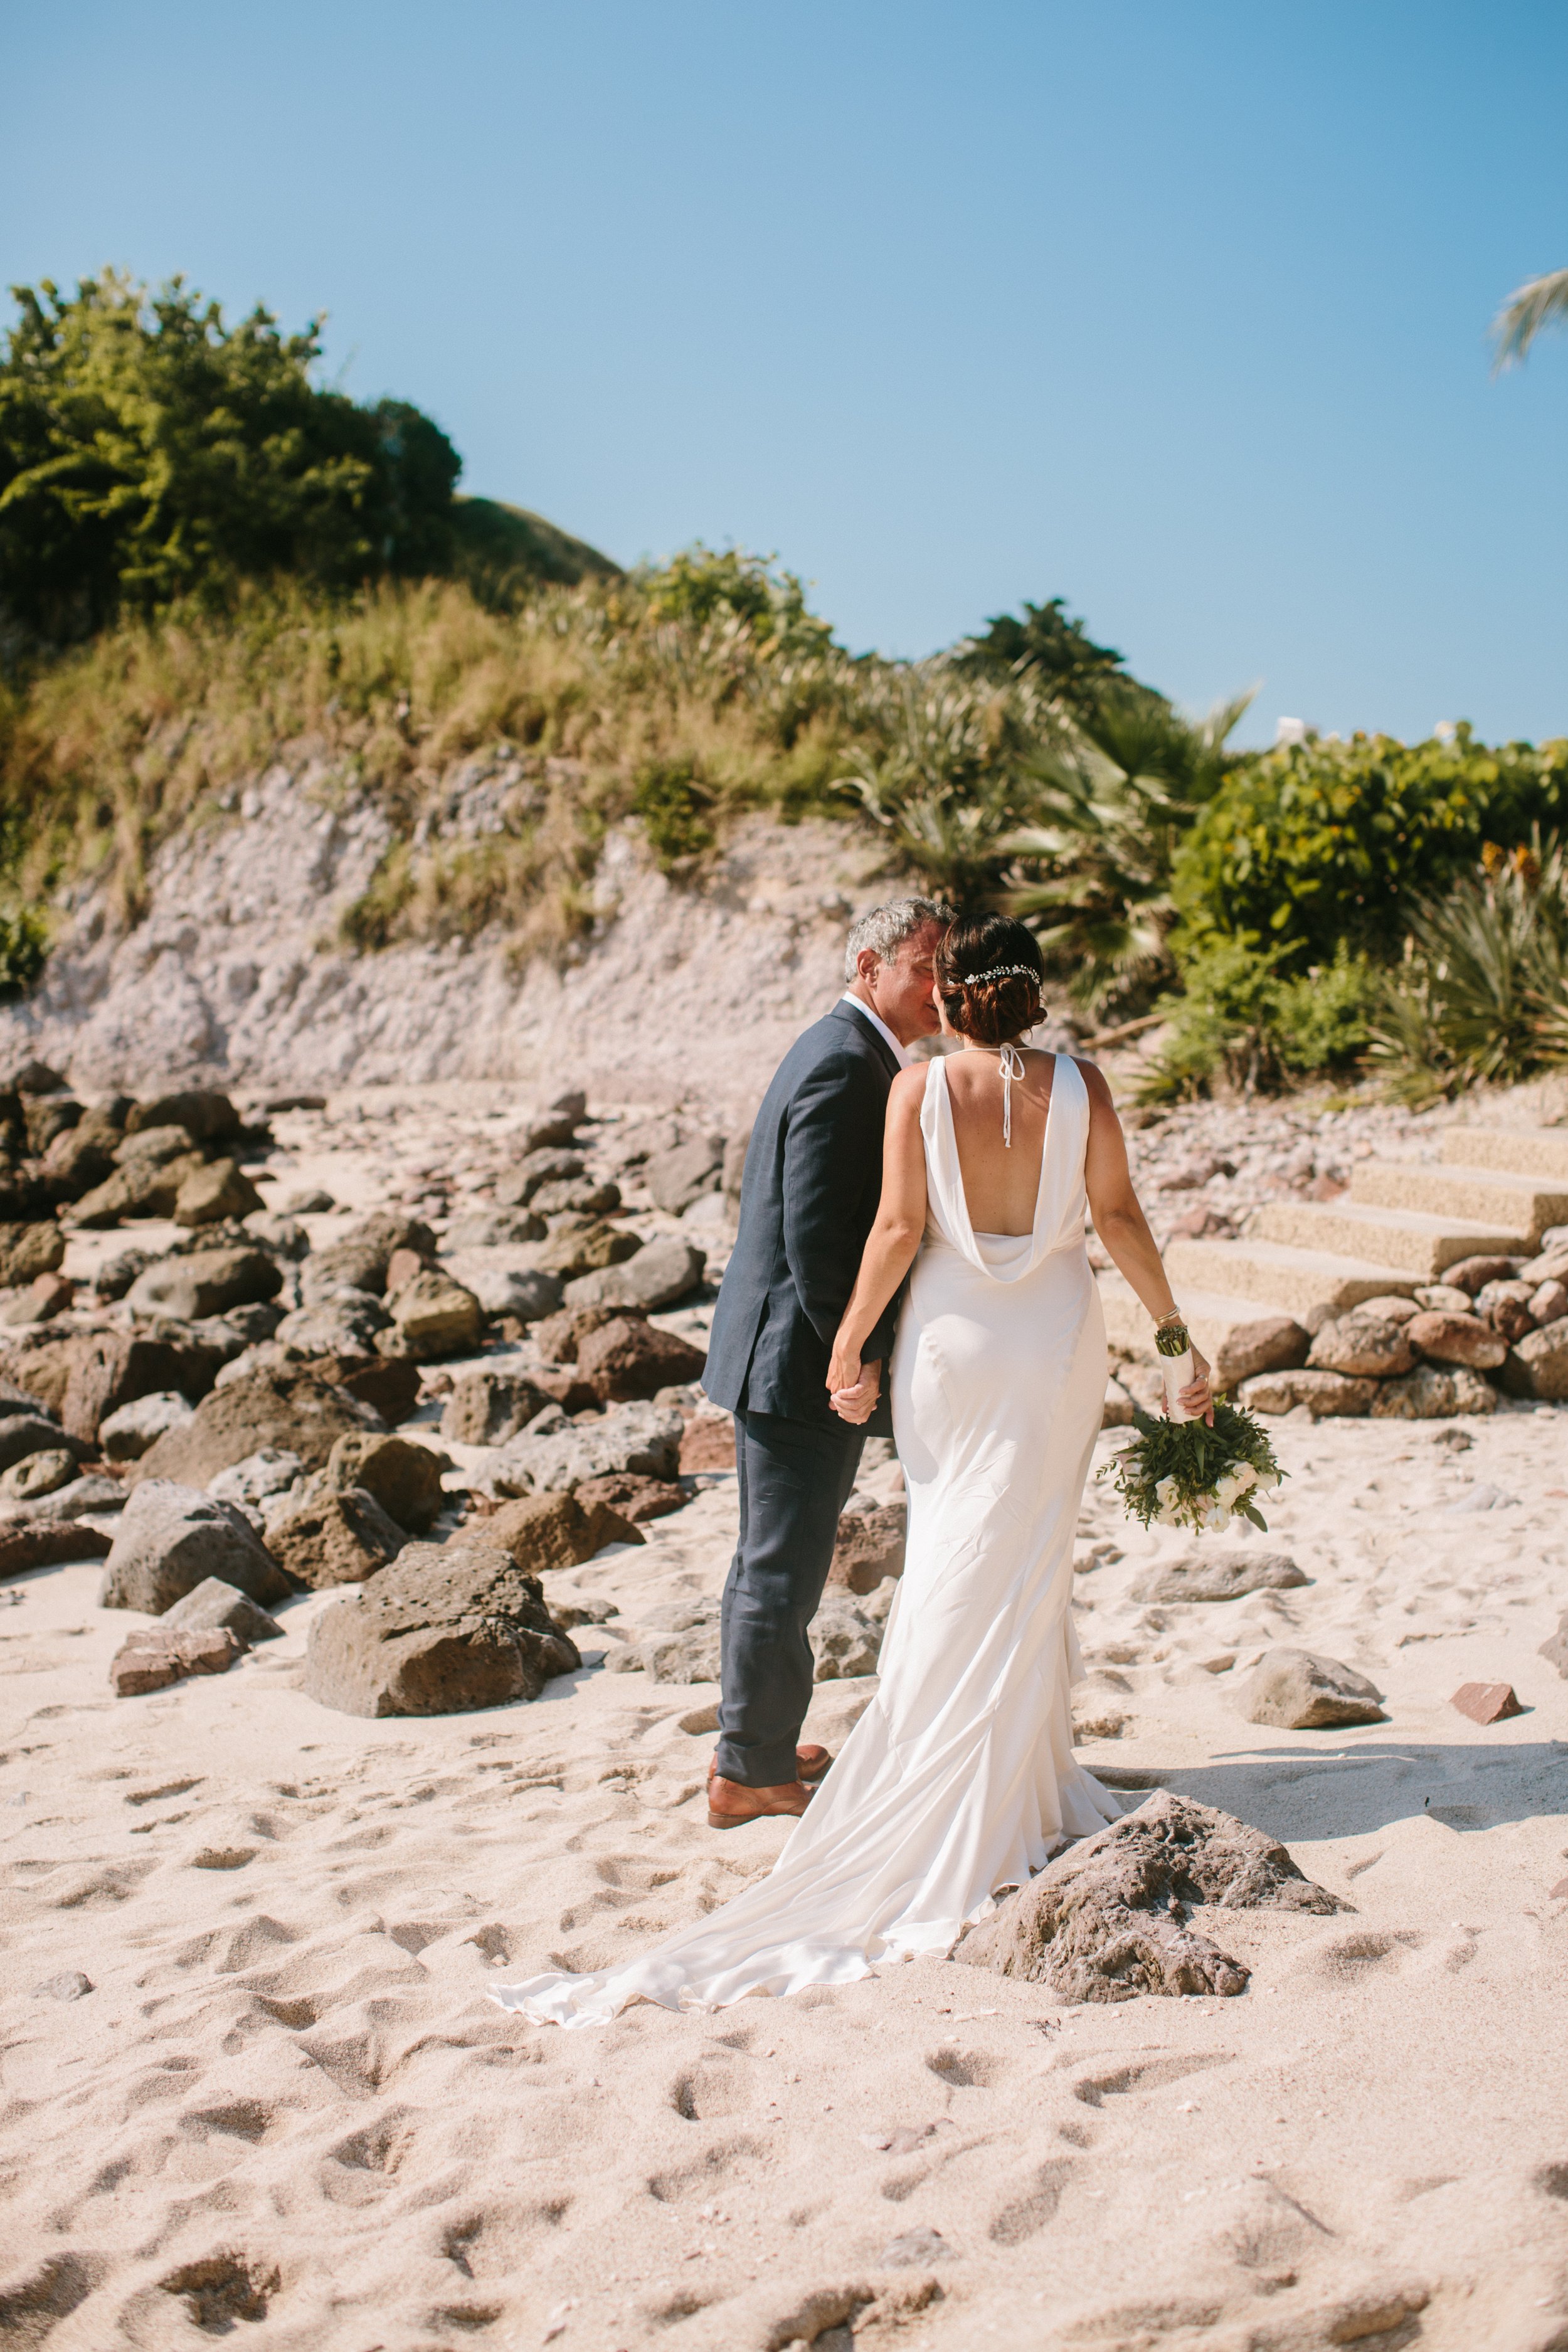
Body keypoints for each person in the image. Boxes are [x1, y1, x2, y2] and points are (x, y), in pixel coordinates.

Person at [492, 911, 1210, 2027]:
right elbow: (1117, 1215)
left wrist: (848, 1347)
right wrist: (1176, 1340)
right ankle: (1011, 1778)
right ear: (1033, 993)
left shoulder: (917, 1089)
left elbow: (890, 1230)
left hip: (951, 1353)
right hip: (1058, 1346)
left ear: (958, 994)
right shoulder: (1086, 1084)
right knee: (1025, 1553)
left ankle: (931, 1767)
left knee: (949, 1558)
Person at [694, 895, 949, 1828]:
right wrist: (859, 1358)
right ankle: (749, 1771)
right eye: (922, 969)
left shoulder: (847, 1050)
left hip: (783, 1351)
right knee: (780, 1568)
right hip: (797, 1359)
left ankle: (755, 1741)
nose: (937, 988)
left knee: (774, 1562)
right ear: (869, 963)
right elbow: (816, 1237)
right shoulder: (848, 1063)